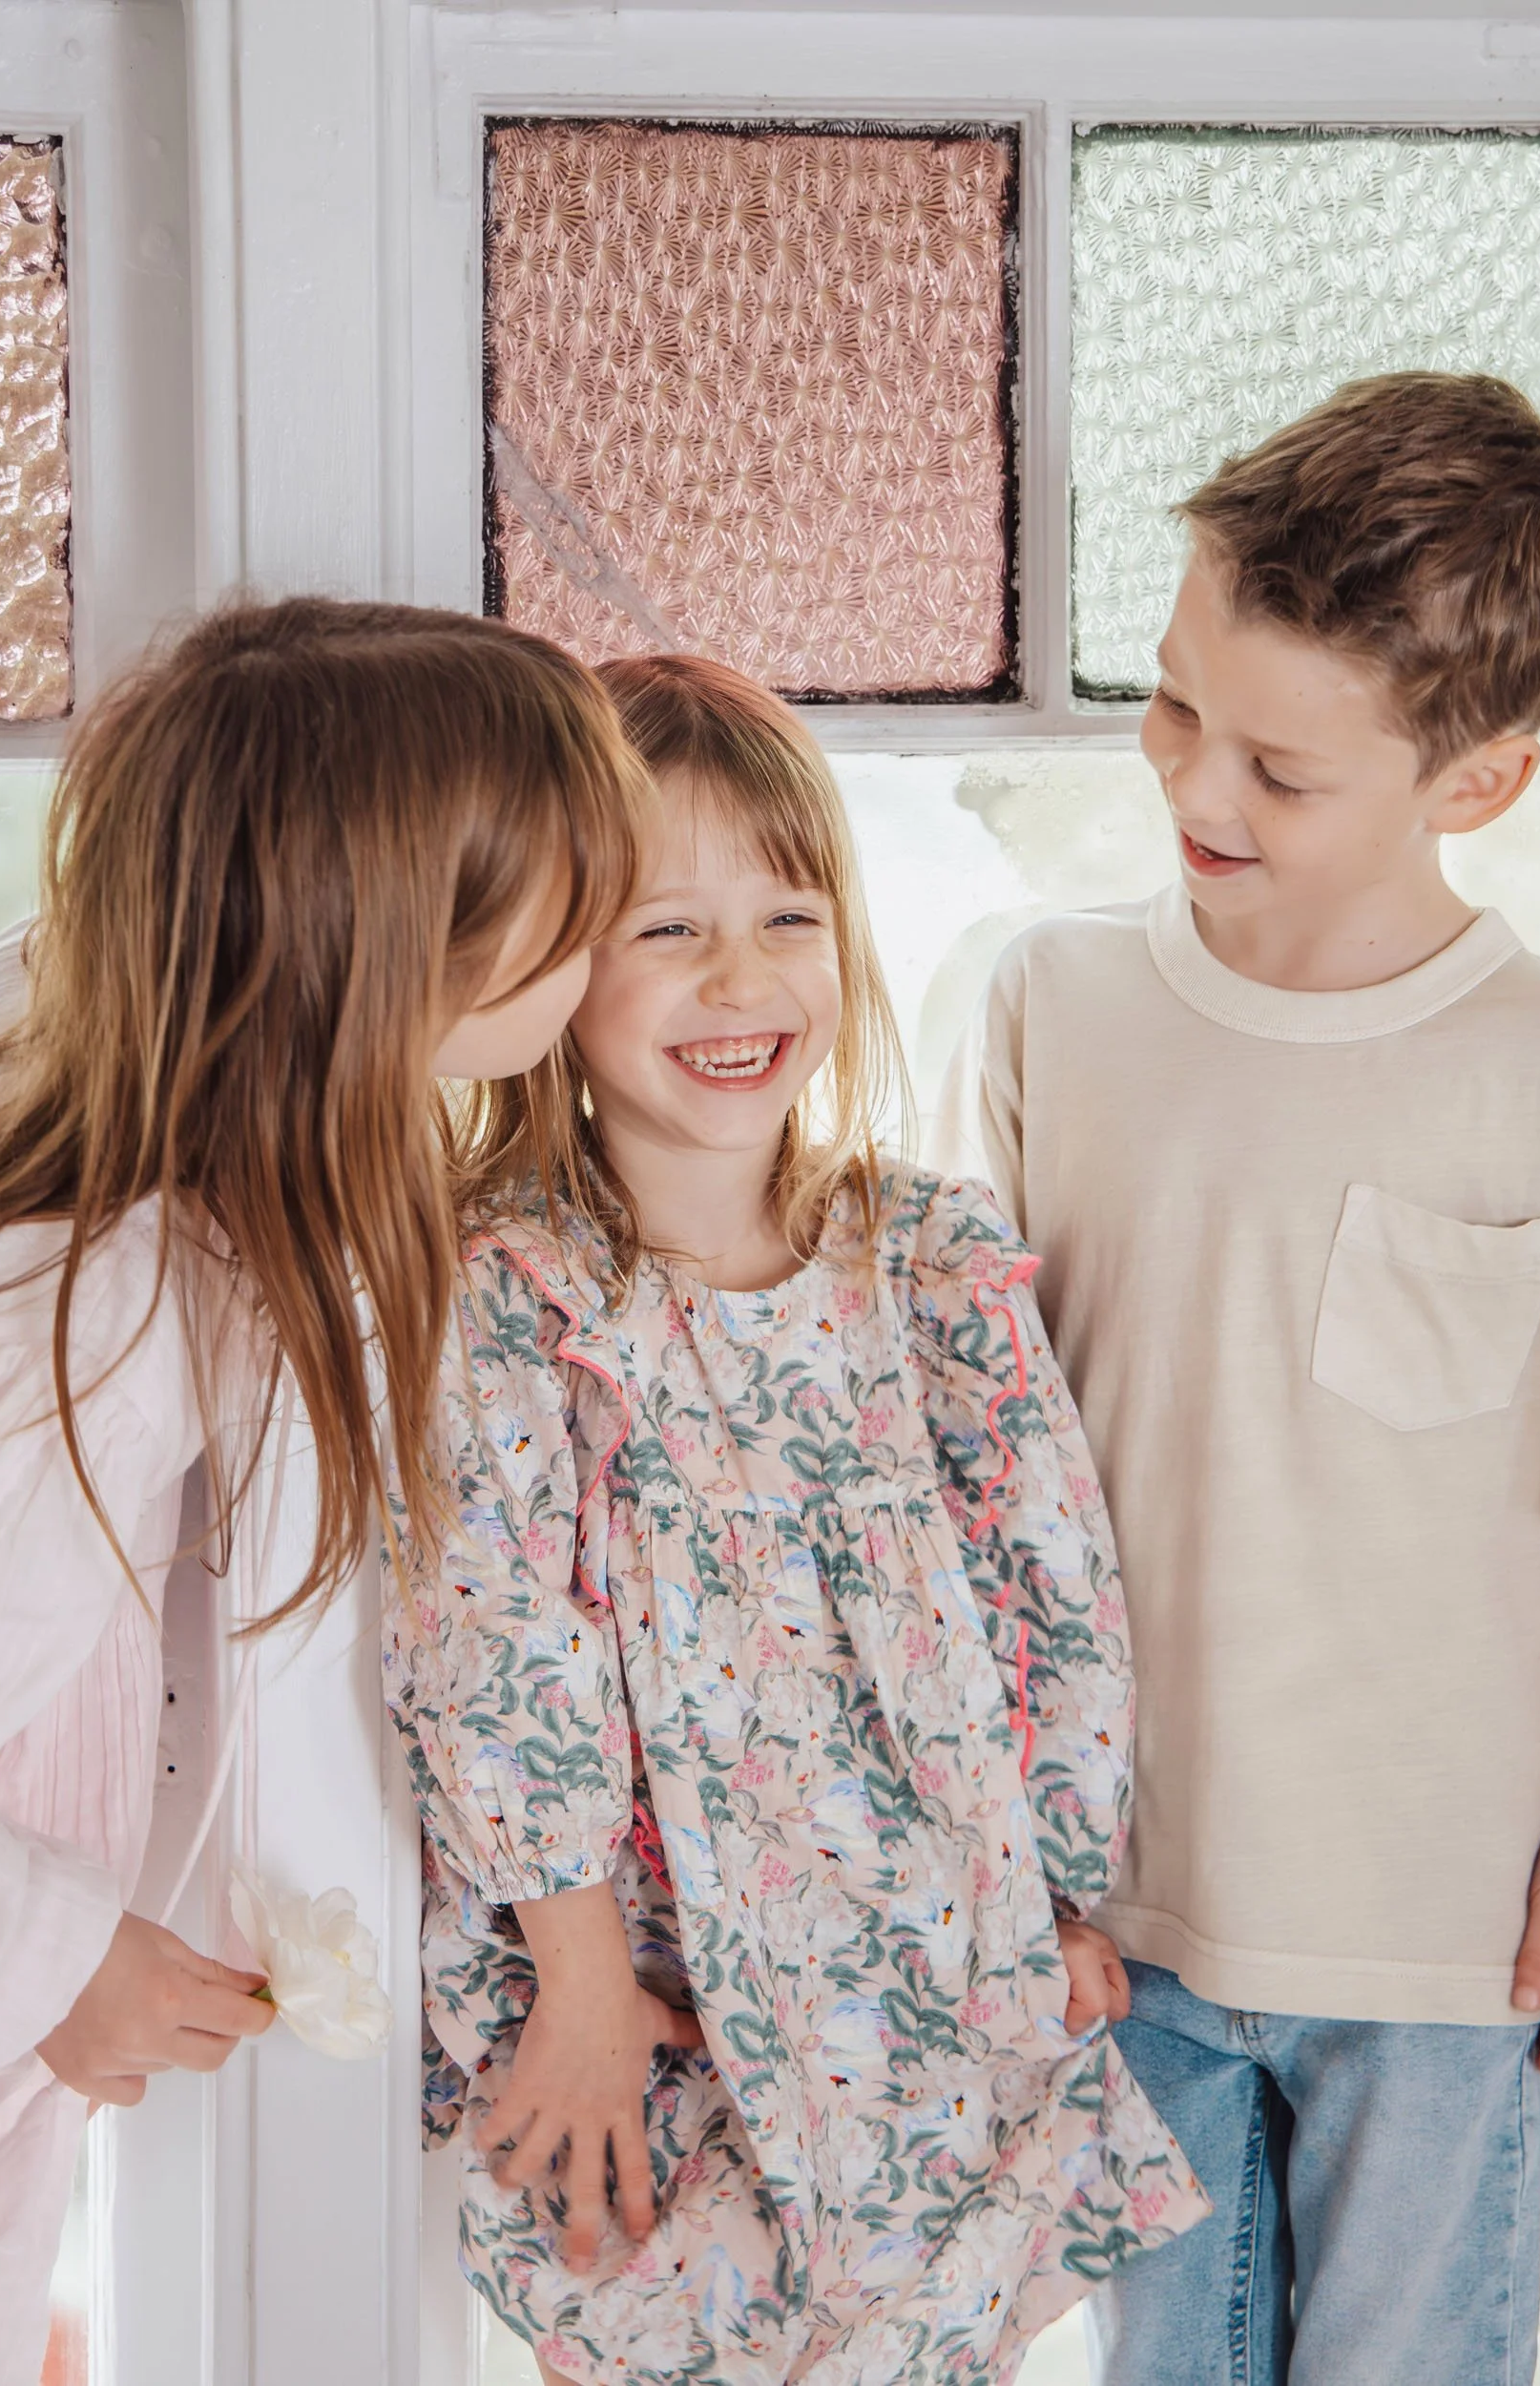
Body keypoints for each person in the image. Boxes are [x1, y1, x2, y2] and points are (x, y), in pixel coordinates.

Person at [0, 597, 651, 2386]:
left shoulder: (57, 1066)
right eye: (584, 922)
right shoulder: (79, 1304)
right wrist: (56, 1968)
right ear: (412, 968)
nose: (615, 962)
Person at [942, 374, 1540, 2384]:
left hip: (1440, 1931)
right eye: (1177, 705)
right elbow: (970, 1458)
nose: (1193, 788)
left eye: (1277, 764)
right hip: (1125, 1906)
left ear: (1478, 782)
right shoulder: (1052, 1004)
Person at [384, 654, 1207, 2386]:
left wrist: (1054, 1891)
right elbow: (498, 1654)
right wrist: (585, 1984)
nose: (739, 978)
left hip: (925, 1962)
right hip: (639, 1988)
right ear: (544, 969)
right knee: (652, 2326)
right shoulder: (513, 1289)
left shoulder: (929, 1257)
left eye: (786, 915)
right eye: (666, 931)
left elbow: (1056, 1596)